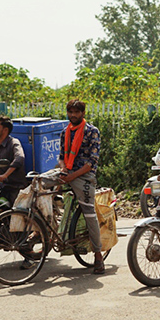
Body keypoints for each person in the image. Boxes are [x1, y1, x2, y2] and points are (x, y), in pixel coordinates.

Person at [56, 99, 106, 274]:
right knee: (38, 189)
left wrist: (71, 176)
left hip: (84, 176)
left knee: (89, 212)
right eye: (70, 112)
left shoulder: (92, 132)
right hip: (67, 171)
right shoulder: (65, 132)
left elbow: (91, 163)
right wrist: (63, 170)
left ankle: (98, 255)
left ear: (83, 113)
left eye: (76, 112)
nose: (73, 115)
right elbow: (61, 156)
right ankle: (39, 237)